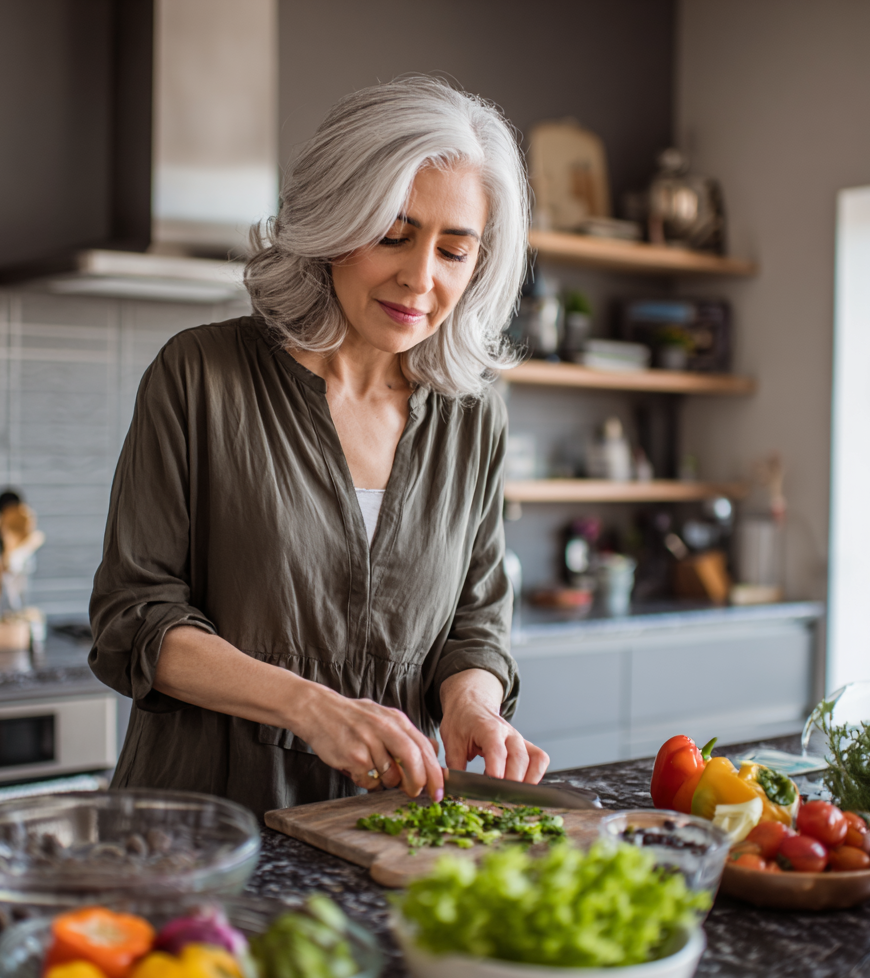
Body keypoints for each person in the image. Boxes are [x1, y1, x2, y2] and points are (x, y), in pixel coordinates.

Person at [89, 77, 549, 820]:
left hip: (391, 832)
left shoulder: (473, 418)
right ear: (335, 220)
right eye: (393, 235)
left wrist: (474, 707)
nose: (420, 277)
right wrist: (309, 706)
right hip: (202, 827)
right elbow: (132, 619)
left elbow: (475, 623)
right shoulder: (202, 376)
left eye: (454, 251)